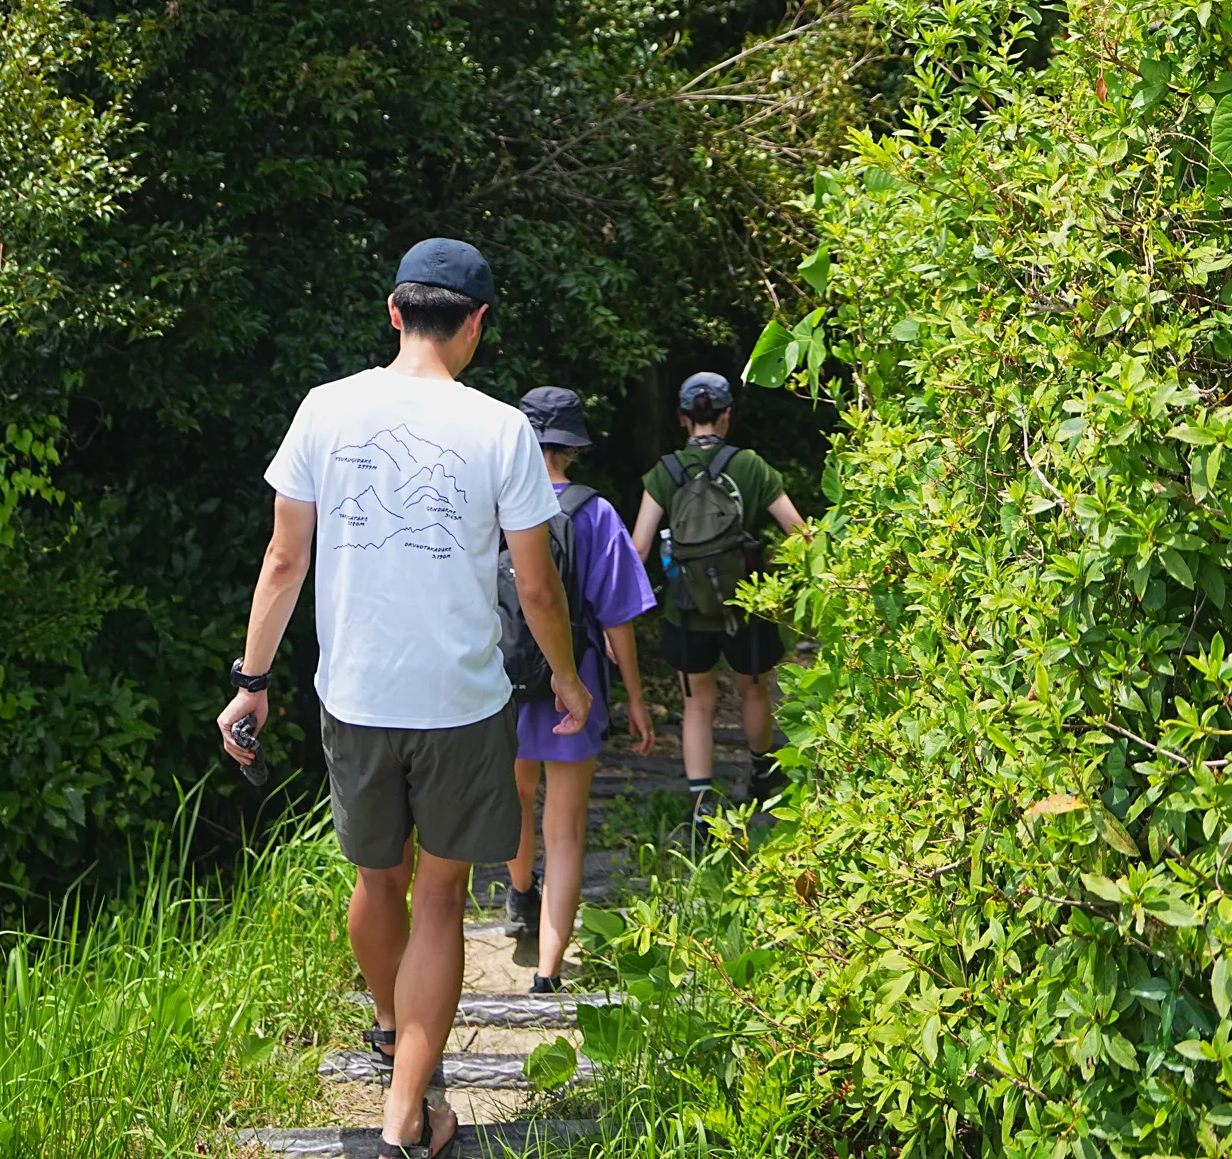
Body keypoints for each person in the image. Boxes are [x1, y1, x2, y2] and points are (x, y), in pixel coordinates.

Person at [218, 240, 590, 1159]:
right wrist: (571, 682)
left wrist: (252, 683)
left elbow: (283, 559)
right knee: (440, 895)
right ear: (476, 323)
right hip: (462, 702)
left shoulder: (323, 409)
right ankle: (405, 1111)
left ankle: (394, 1042)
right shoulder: (502, 429)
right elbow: (537, 590)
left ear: (393, 311)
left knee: (375, 878)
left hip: (354, 695)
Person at [503, 385, 656, 988]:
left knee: (514, 798)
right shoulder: (595, 513)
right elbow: (618, 617)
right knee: (563, 829)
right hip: (577, 683)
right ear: (572, 446)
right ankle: (547, 970)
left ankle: (518, 894)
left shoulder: (495, 505)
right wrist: (637, 698)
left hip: (504, 681)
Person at [630, 370, 805, 818]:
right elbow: (800, 532)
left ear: (683, 419)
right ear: (727, 415)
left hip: (686, 610)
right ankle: (762, 775)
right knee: (754, 691)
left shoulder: (664, 472)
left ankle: (702, 805)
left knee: (697, 703)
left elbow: (640, 547)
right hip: (747, 604)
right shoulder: (749, 465)